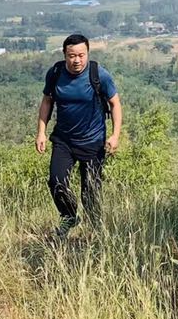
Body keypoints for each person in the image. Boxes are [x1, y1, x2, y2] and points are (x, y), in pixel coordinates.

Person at [35, 33, 120, 235]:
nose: (77, 60)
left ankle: (97, 230)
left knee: (90, 190)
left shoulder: (99, 75)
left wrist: (115, 135)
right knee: (56, 181)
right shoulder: (55, 73)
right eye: (72, 55)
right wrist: (41, 132)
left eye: (81, 55)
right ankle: (69, 216)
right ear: (65, 55)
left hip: (93, 142)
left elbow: (115, 103)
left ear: (87, 53)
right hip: (63, 140)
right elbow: (47, 101)